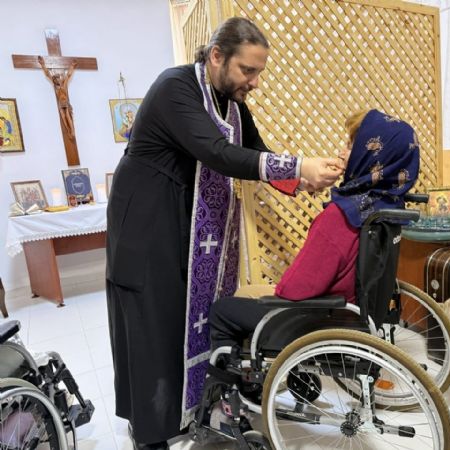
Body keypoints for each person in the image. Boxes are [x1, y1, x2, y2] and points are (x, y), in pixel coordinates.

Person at [105, 17, 343, 450]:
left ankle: (189, 409)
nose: (254, 82)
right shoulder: (175, 87)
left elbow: (255, 153)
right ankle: (150, 430)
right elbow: (216, 152)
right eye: (247, 70)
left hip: (189, 221)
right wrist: (298, 165)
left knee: (188, 317)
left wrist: (304, 178)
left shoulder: (231, 102)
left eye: (258, 72)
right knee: (152, 324)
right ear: (217, 56)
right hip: (148, 219)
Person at [209, 108, 421, 354]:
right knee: (247, 293)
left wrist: (281, 288)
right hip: (357, 313)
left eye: (350, 145)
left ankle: (232, 374)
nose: (341, 152)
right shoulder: (386, 207)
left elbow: (295, 289)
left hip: (322, 318)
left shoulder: (341, 215)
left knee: (222, 311)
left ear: (371, 155)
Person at [38, 56, 77, 138]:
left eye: (57, 79)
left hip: (65, 102)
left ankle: (72, 130)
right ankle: (68, 130)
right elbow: (48, 74)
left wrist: (72, 66)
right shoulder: (56, 87)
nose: (57, 80)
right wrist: (43, 65)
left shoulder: (64, 85)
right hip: (60, 103)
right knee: (63, 116)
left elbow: (68, 75)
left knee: (67, 115)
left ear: (60, 79)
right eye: (55, 80)